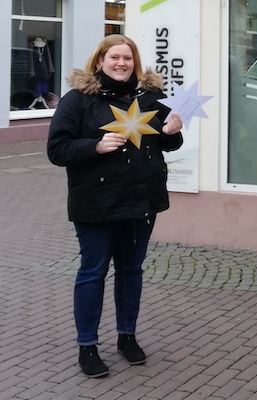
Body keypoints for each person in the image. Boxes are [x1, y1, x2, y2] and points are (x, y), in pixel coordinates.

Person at [47, 34, 184, 378]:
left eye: (127, 58)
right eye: (114, 57)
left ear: (134, 62)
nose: (121, 63)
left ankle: (127, 337)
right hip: (96, 202)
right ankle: (87, 346)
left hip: (142, 201)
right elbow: (57, 149)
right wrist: (95, 146)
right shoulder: (79, 100)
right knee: (93, 272)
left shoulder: (148, 97)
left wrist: (172, 132)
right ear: (100, 60)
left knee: (131, 271)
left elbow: (166, 142)